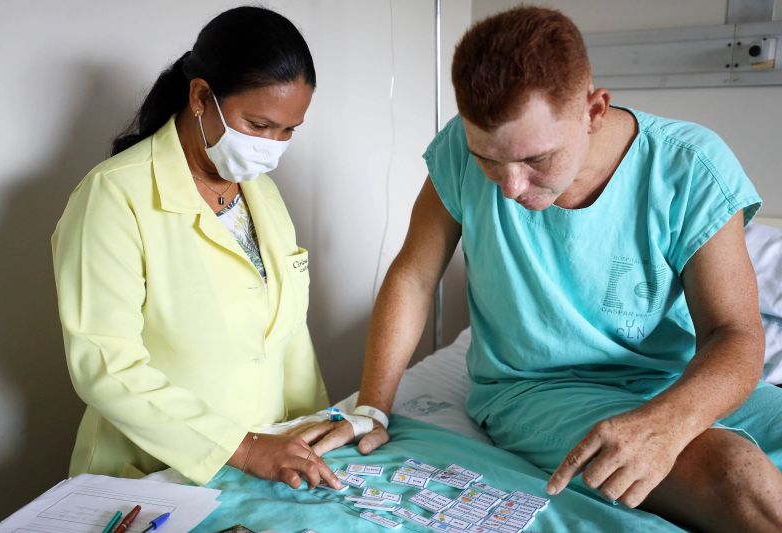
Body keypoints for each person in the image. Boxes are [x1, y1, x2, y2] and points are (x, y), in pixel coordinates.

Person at [311, 6, 782, 531]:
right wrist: (372, 405)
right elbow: (414, 278)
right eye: (488, 158)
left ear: (594, 110)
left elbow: (735, 335)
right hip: (534, 389)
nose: (510, 186)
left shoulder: (688, 168)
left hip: (672, 380)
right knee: (734, 472)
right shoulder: (456, 153)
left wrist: (669, 422)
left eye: (536, 160)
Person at [51, 6, 344, 491]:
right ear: (202, 97)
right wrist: (245, 448)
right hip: (148, 477)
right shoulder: (113, 196)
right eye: (258, 124)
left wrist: (311, 429)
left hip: (261, 469)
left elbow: (288, 336)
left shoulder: (260, 192)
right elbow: (105, 365)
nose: (272, 146)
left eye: (289, 130)